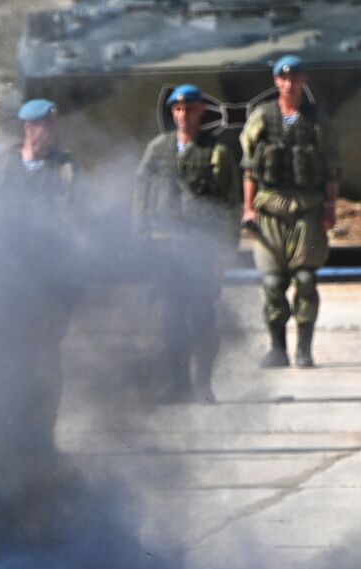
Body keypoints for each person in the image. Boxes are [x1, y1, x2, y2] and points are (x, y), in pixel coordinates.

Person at [131, 83, 240, 403]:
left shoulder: (216, 153)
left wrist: (225, 252)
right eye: (178, 109)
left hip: (201, 249)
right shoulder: (157, 149)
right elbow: (141, 194)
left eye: (190, 109)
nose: (183, 115)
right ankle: (178, 386)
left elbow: (230, 206)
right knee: (171, 320)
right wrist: (141, 238)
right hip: (165, 247)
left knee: (203, 318)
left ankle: (203, 386)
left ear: (201, 111)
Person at [240, 55, 341, 368]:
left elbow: (332, 168)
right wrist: (248, 209)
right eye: (283, 78)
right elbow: (250, 168)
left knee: (306, 279)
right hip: (269, 209)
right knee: (272, 283)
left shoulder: (317, 120)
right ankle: (278, 347)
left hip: (306, 209)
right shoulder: (262, 117)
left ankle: (304, 348)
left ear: (303, 80)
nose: (289, 83)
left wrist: (330, 207)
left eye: (294, 78)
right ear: (276, 81)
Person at [0, 98, 80, 447]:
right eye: (47, 125)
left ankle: (44, 434)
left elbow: (74, 211)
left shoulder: (64, 166)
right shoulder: (3, 169)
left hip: (51, 281)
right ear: (29, 128)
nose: (53, 131)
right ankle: (15, 432)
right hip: (13, 281)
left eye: (54, 124)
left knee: (45, 357)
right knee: (12, 359)